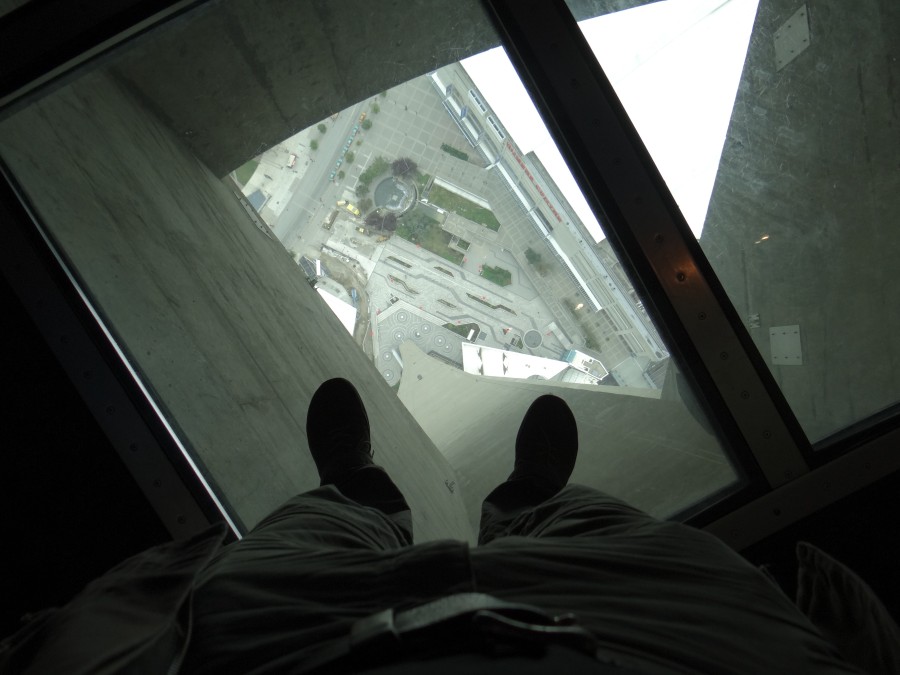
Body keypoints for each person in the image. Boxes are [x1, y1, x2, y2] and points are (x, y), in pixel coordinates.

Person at [1, 379, 863, 674]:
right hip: (691, 651)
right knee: (648, 545)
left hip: (280, 651)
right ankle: (528, 505)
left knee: (261, 568)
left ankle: (363, 498)